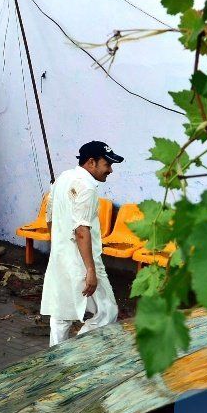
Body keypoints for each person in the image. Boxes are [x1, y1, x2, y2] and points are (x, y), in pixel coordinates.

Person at [40, 140, 123, 347]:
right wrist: (90, 270)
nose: (110, 170)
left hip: (61, 256)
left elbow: (49, 217)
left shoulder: (63, 178)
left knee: (61, 314)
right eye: (107, 164)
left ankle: (56, 358)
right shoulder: (87, 187)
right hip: (83, 259)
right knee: (107, 311)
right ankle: (79, 350)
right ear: (91, 162)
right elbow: (81, 230)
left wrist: (58, 246)